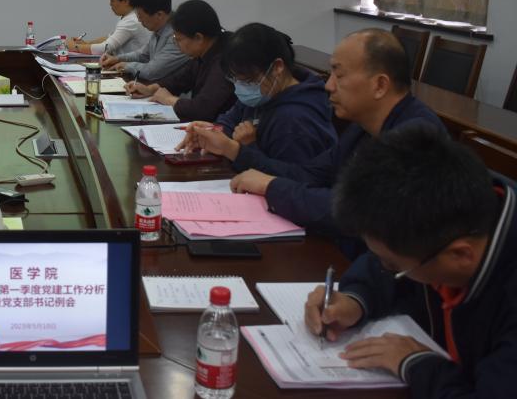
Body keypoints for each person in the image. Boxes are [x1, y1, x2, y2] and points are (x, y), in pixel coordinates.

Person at [304, 127, 516, 397]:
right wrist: (355, 299)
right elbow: (390, 258)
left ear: (461, 255)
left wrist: (414, 362)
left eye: (393, 267)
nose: (383, 267)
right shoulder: (444, 219)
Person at [199, 29, 444, 236]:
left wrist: (272, 187)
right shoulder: (362, 127)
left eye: (340, 75)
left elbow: (356, 212)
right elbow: (309, 174)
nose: (328, 85)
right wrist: (240, 154)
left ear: (379, 85)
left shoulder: (417, 137)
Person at [180, 22, 337, 169]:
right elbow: (230, 119)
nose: (240, 87)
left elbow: (290, 180)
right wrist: (213, 131)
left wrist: (248, 147)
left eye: (247, 81)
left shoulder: (296, 121)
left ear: (277, 67)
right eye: (235, 80)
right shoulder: (263, 93)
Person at [126, 0, 235, 122]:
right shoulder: (205, 50)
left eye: (178, 39)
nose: (177, 45)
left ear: (198, 38)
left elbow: (202, 109)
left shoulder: (225, 59)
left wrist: (169, 100)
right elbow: (180, 79)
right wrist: (150, 89)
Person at [99, 0, 187, 83]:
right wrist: (117, 59)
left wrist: (126, 66)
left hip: (170, 91)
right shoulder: (159, 28)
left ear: (159, 15)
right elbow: (142, 54)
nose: (139, 20)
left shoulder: (177, 36)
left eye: (140, 16)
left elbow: (152, 71)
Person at [66, 0, 150, 56]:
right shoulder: (127, 16)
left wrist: (75, 47)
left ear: (125, 1)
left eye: (112, 0)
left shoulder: (131, 21)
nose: (110, 4)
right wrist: (86, 44)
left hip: (132, 65)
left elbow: (105, 48)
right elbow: (110, 38)